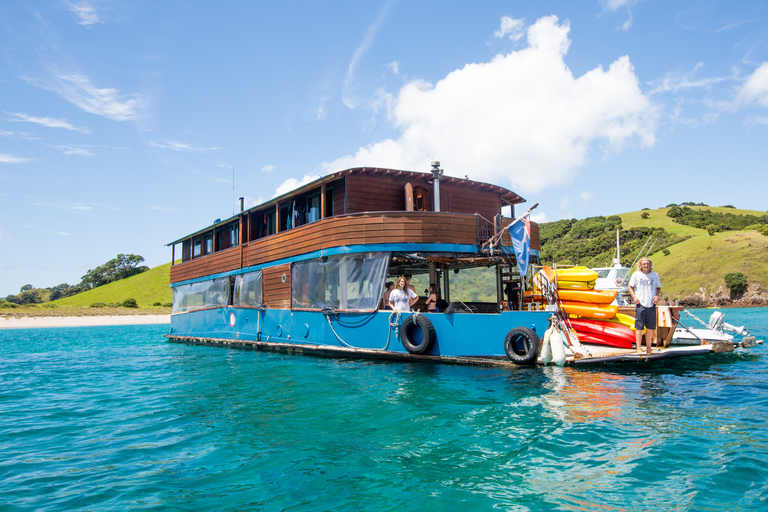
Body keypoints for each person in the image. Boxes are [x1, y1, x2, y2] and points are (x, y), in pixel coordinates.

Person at [628, 257, 662, 355]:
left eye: (647, 264)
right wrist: (634, 296)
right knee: (639, 327)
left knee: (650, 328)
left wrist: (657, 296)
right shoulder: (636, 274)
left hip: (651, 304)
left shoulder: (654, 275)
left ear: (650, 264)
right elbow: (630, 286)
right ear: (640, 265)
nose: (646, 265)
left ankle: (649, 348)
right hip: (640, 304)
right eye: (644, 264)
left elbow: (658, 287)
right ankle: (638, 348)